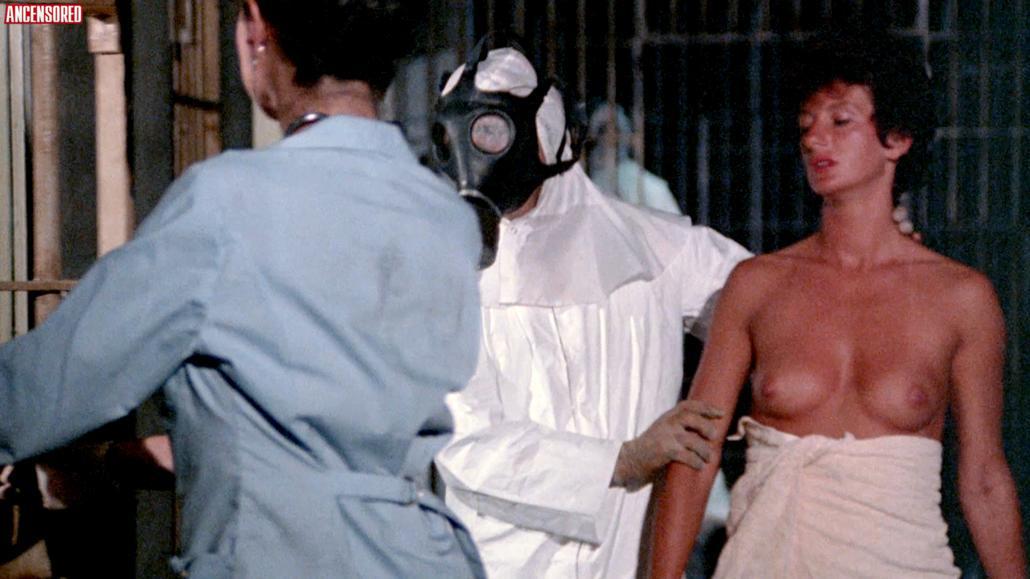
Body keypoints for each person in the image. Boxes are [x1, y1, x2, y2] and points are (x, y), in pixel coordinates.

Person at [0, 0, 486, 577]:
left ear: (257, 30)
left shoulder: (227, 203)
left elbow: (50, 384)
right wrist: (112, 463)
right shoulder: (446, 218)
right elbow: (326, 439)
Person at [649, 34, 1026, 578]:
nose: (814, 138)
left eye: (840, 121)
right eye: (806, 124)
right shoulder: (757, 286)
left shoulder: (960, 298)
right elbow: (696, 454)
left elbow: (985, 478)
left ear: (897, 138)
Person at [431, 43, 752, 578]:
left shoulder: (658, 250)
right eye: (459, 136)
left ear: (544, 133)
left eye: (489, 132)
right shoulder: (447, 273)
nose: (475, 154)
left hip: (627, 562)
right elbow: (465, 441)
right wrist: (623, 460)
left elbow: (772, 306)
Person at [585, 102, 683, 215]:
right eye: (603, 130)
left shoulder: (643, 182)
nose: (610, 136)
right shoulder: (593, 181)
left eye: (616, 130)